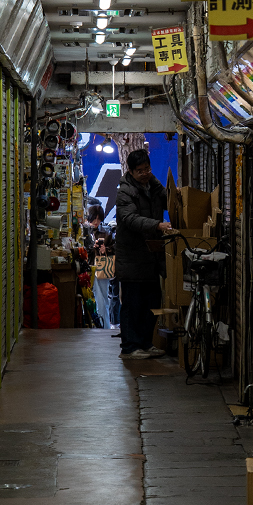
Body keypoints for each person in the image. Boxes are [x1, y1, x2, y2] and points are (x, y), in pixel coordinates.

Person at [114, 148, 172, 360]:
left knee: (151, 303)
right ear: (130, 171)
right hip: (132, 259)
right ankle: (130, 347)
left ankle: (146, 344)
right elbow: (129, 219)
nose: (145, 173)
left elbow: (170, 200)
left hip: (151, 258)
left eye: (147, 169)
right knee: (133, 305)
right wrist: (157, 225)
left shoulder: (153, 187)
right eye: (140, 171)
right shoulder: (125, 192)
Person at [82, 205, 114, 328]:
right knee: (92, 297)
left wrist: (105, 249)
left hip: (102, 267)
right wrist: (91, 247)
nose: (96, 221)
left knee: (103, 298)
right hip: (89, 267)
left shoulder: (106, 233)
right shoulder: (84, 231)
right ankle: (96, 324)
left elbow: (114, 248)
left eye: (98, 218)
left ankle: (104, 325)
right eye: (94, 218)